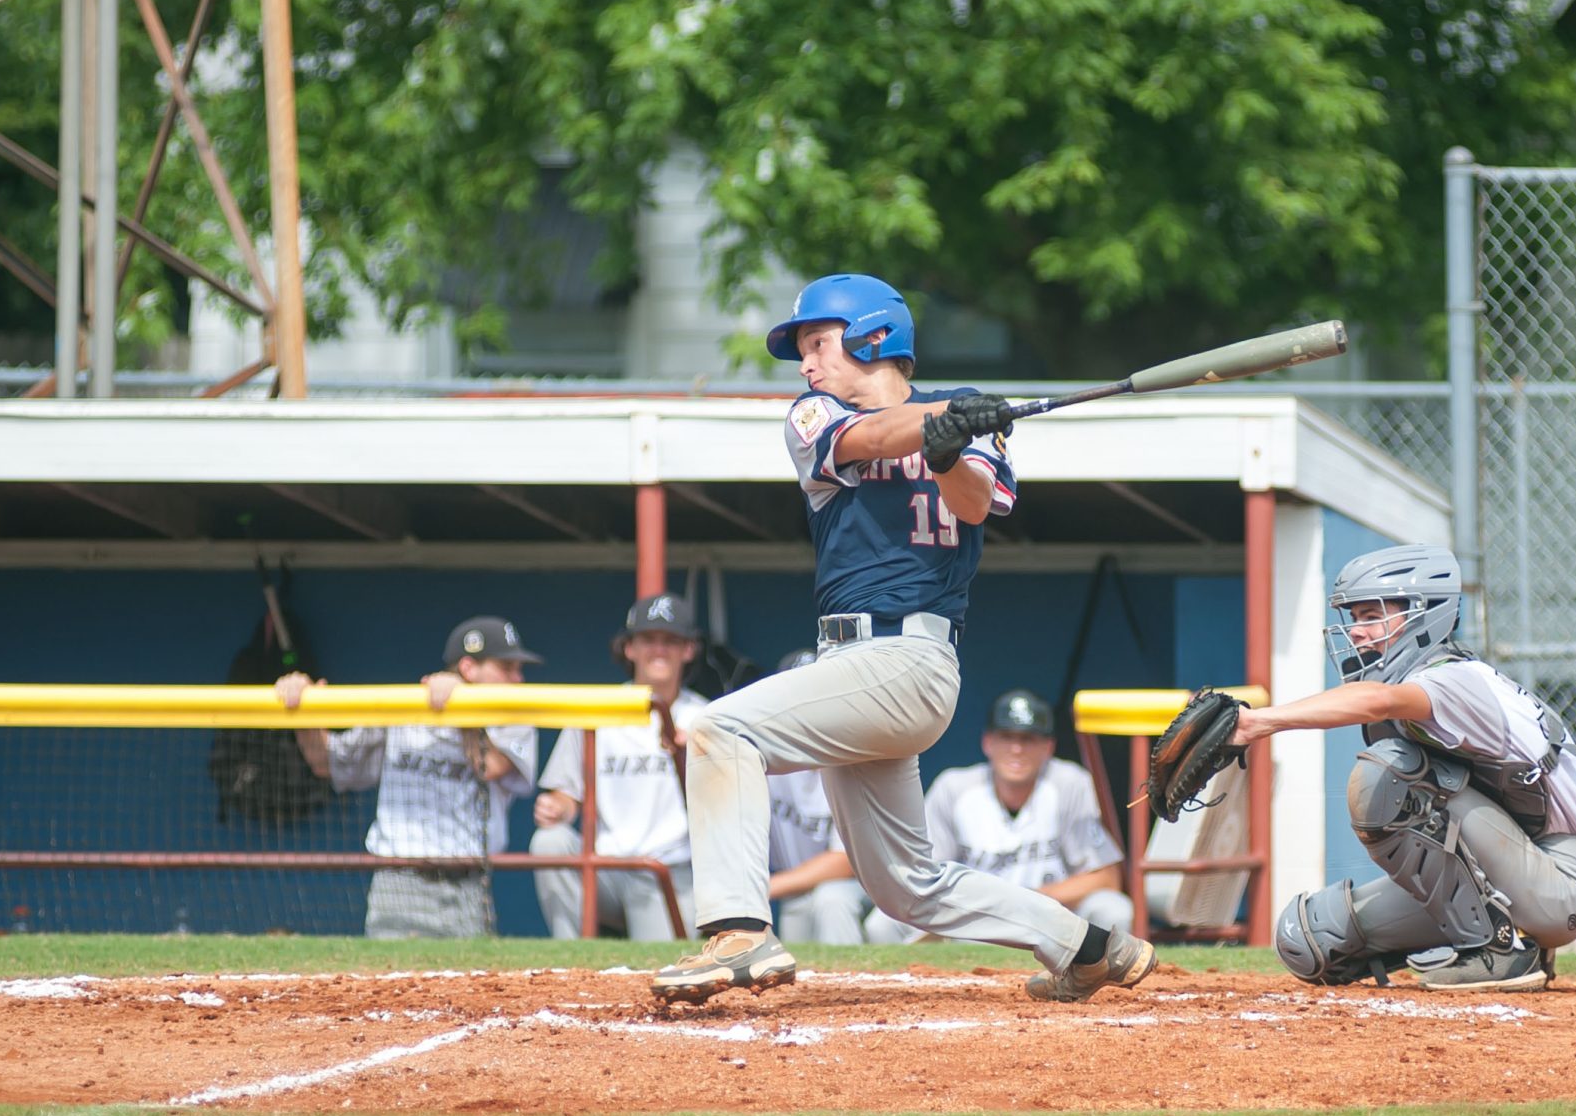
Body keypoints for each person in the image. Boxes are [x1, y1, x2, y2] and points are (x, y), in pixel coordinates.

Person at [649, 273, 1156, 1005]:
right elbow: (871, 436)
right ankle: (1086, 946)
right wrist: (945, 420)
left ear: (873, 337)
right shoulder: (814, 414)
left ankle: (737, 932)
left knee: (722, 728)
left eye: (818, 343)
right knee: (905, 887)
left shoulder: (972, 426)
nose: (807, 362)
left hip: (911, 658)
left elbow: (975, 504)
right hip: (851, 666)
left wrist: (952, 448)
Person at [1237, 544, 1576, 992]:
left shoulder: (1453, 679)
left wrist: (1257, 722)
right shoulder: (1432, 679)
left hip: (1563, 883)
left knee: (1388, 774)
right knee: (1312, 939)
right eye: (1354, 618)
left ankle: (1496, 952)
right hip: (1518, 868)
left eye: (1370, 615)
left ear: (1422, 616)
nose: (1357, 632)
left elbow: (1377, 701)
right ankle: (1507, 940)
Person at [277, 616, 541, 939]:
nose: (519, 678)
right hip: (399, 881)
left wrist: (463, 710)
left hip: (468, 883)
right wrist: (302, 710)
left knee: (469, 984)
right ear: (469, 668)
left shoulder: (515, 716)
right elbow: (327, 762)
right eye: (507, 668)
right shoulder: (405, 708)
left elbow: (491, 766)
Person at [866, 690, 1134, 944]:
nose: (1016, 749)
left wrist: (1030, 900)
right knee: (881, 924)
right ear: (988, 742)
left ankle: (1102, 988)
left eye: (1028, 739)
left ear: (1048, 747)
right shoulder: (954, 788)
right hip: (972, 920)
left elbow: (1106, 878)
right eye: (1007, 737)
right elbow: (923, 877)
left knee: (1114, 910)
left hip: (1049, 919)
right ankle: (912, 991)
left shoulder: (1069, 784)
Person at [530, 594, 703, 940]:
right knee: (549, 841)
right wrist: (557, 807)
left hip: (669, 869)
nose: (659, 650)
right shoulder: (599, 709)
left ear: (688, 650)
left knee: (660, 967)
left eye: (671, 641)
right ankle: (572, 956)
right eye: (648, 640)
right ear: (629, 649)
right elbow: (567, 795)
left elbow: (724, 807)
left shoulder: (705, 716)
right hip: (606, 869)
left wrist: (687, 759)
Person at [764, 650, 874, 943]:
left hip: (869, 891)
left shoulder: (859, 757)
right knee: (798, 908)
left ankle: (849, 986)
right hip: (796, 889)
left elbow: (845, 862)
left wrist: (766, 886)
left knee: (831, 899)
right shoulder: (765, 756)